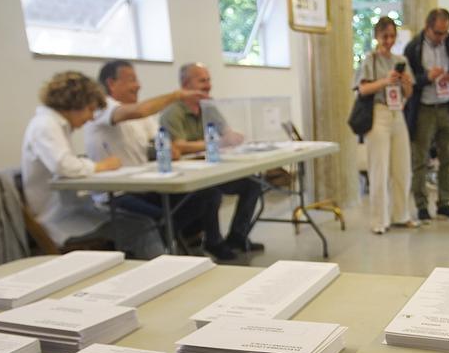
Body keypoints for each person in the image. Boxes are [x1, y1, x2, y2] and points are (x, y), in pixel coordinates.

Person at [84, 60, 237, 261]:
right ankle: (168, 252)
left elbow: (161, 140)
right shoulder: (103, 108)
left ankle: (198, 242)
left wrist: (169, 148)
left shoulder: (139, 113)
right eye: (131, 80)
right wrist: (177, 96)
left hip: (144, 186)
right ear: (111, 83)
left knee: (208, 195)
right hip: (116, 194)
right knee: (160, 217)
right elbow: (139, 111)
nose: (138, 85)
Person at [20, 71, 150, 255]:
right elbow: (62, 165)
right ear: (75, 104)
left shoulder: (54, 125)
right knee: (142, 227)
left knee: (139, 222)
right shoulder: (45, 125)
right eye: (90, 109)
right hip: (58, 220)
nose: (91, 117)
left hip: (69, 211)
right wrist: (99, 166)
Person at [159, 63, 265, 253]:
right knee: (211, 192)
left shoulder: (209, 107)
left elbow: (226, 132)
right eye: (202, 80)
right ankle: (214, 242)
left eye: (209, 80)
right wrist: (215, 143)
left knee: (252, 184)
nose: (208, 85)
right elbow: (178, 146)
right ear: (185, 84)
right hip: (188, 175)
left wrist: (234, 137)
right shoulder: (172, 113)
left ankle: (238, 236)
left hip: (213, 169)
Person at [402, 8, 449, 222]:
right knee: (420, 159)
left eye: (445, 32)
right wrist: (427, 77)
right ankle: (421, 204)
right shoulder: (413, 47)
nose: (442, 37)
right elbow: (408, 80)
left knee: (447, 157)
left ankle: (444, 202)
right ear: (427, 28)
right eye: (438, 33)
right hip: (424, 108)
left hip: (447, 106)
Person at [356, 16, 416, 234]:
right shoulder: (369, 60)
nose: (389, 40)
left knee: (402, 167)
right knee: (379, 169)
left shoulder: (401, 60)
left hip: (397, 112)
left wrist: (405, 83)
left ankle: (401, 214)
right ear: (377, 37)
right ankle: (379, 220)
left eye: (392, 36)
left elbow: (408, 94)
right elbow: (362, 89)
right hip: (378, 113)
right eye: (385, 36)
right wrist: (385, 81)